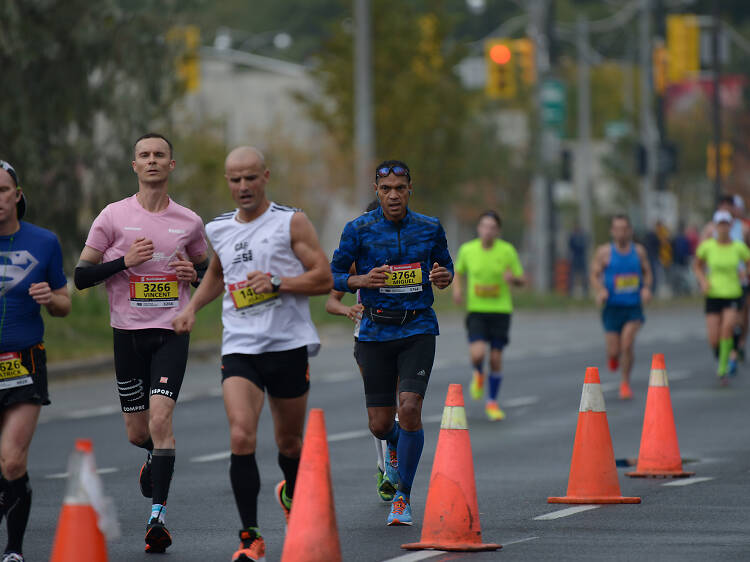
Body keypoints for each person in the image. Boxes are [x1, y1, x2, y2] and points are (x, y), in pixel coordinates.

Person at [172, 146, 332, 562]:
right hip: (240, 344)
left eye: (250, 178)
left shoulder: (290, 221)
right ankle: (250, 538)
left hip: (287, 344)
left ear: (265, 176)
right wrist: (190, 308)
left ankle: (291, 492)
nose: (242, 186)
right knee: (242, 434)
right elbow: (217, 275)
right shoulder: (219, 228)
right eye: (234, 179)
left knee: (290, 443)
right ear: (228, 182)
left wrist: (278, 283)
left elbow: (323, 277)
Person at [74, 134, 208, 554]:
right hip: (127, 335)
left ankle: (157, 517)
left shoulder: (189, 221)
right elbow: (80, 276)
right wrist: (124, 262)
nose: (152, 161)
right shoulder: (113, 217)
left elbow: (208, 275)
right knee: (139, 433)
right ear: (134, 165)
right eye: (144, 155)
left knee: (161, 420)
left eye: (159, 155)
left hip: (171, 333)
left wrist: (194, 276)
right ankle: (154, 455)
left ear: (171, 165)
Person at [330, 160, 453, 526]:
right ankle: (395, 444)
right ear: (376, 191)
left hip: (417, 328)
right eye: (387, 189)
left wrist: (444, 276)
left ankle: (403, 496)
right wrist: (361, 280)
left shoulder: (429, 228)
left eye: (400, 188)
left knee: (410, 407)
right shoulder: (358, 230)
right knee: (380, 426)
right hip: (375, 333)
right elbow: (335, 274)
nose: (394, 195)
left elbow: (444, 269)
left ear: (410, 189)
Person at [0, 161, 70, 562]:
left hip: (23, 362)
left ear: (17, 194)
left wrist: (51, 299)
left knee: (12, 458)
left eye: (3, 190)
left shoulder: (43, 242)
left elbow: (63, 305)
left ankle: (13, 550)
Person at [325, 199, 398, 502]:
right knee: (380, 405)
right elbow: (330, 300)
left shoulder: (406, 252)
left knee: (397, 403)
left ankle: (392, 465)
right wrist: (347, 310)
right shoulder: (357, 258)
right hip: (367, 338)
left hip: (404, 335)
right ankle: (384, 466)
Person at [452, 211, 525, 421]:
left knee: (495, 358)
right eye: (484, 226)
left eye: (492, 227)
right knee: (477, 354)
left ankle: (492, 402)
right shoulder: (468, 250)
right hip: (477, 310)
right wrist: (458, 290)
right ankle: (478, 373)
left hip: (501, 310)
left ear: (498, 231)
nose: (488, 231)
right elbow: (459, 272)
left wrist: (514, 279)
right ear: (478, 228)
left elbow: (521, 279)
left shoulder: (507, 251)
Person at [590, 214, 653, 400]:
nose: (621, 233)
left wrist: (647, 289)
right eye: (617, 229)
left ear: (630, 231)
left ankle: (624, 382)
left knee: (627, 344)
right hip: (612, 307)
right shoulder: (604, 252)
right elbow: (594, 274)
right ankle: (613, 357)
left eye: (624, 229)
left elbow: (647, 272)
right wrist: (600, 290)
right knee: (614, 350)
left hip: (633, 306)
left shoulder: (639, 252)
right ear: (612, 231)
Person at [693, 210, 750, 385]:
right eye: (720, 224)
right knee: (713, 337)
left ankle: (723, 368)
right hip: (713, 294)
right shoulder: (708, 246)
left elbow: (748, 262)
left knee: (727, 327)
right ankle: (727, 357)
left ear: (730, 226)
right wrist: (702, 280)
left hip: (732, 293)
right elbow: (697, 265)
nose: (723, 228)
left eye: (726, 224)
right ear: (716, 227)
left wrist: (744, 273)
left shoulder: (738, 247)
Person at [567, 223, 588, 297]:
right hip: (575, 257)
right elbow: (570, 245)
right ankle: (571, 291)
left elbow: (585, 245)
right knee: (572, 275)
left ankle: (585, 291)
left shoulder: (583, 236)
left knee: (584, 275)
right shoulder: (573, 236)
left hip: (581, 257)